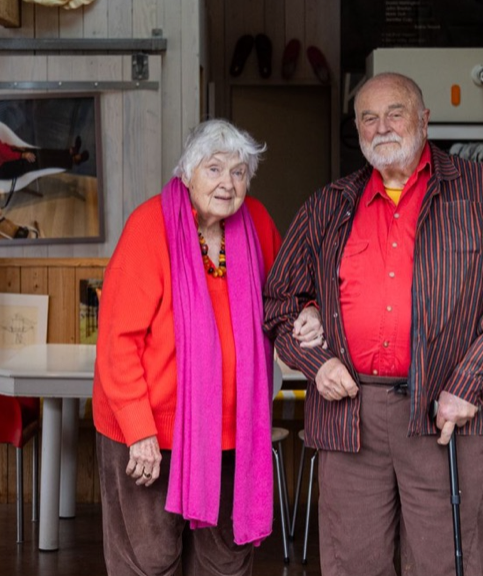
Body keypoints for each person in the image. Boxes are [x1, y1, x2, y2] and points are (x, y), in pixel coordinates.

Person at [264, 72, 483, 576]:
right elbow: (279, 301)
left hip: (446, 411)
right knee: (354, 564)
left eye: (395, 113)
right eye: (369, 117)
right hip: (350, 414)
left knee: (449, 563)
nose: (382, 127)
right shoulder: (329, 205)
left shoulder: (481, 192)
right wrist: (314, 360)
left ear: (424, 119)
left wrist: (467, 385)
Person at [92, 119, 319, 576]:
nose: (227, 183)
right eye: (214, 169)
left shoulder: (255, 221)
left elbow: (286, 291)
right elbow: (118, 343)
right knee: (149, 560)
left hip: (233, 433)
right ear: (187, 172)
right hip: (152, 434)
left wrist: (309, 309)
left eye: (239, 172)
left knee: (226, 563)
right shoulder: (149, 226)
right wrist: (139, 431)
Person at [0, 106, 88, 179]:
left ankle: (69, 152)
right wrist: (20, 155)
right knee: (35, 159)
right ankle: (72, 160)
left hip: (3, 160)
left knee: (36, 151)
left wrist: (14, 147)